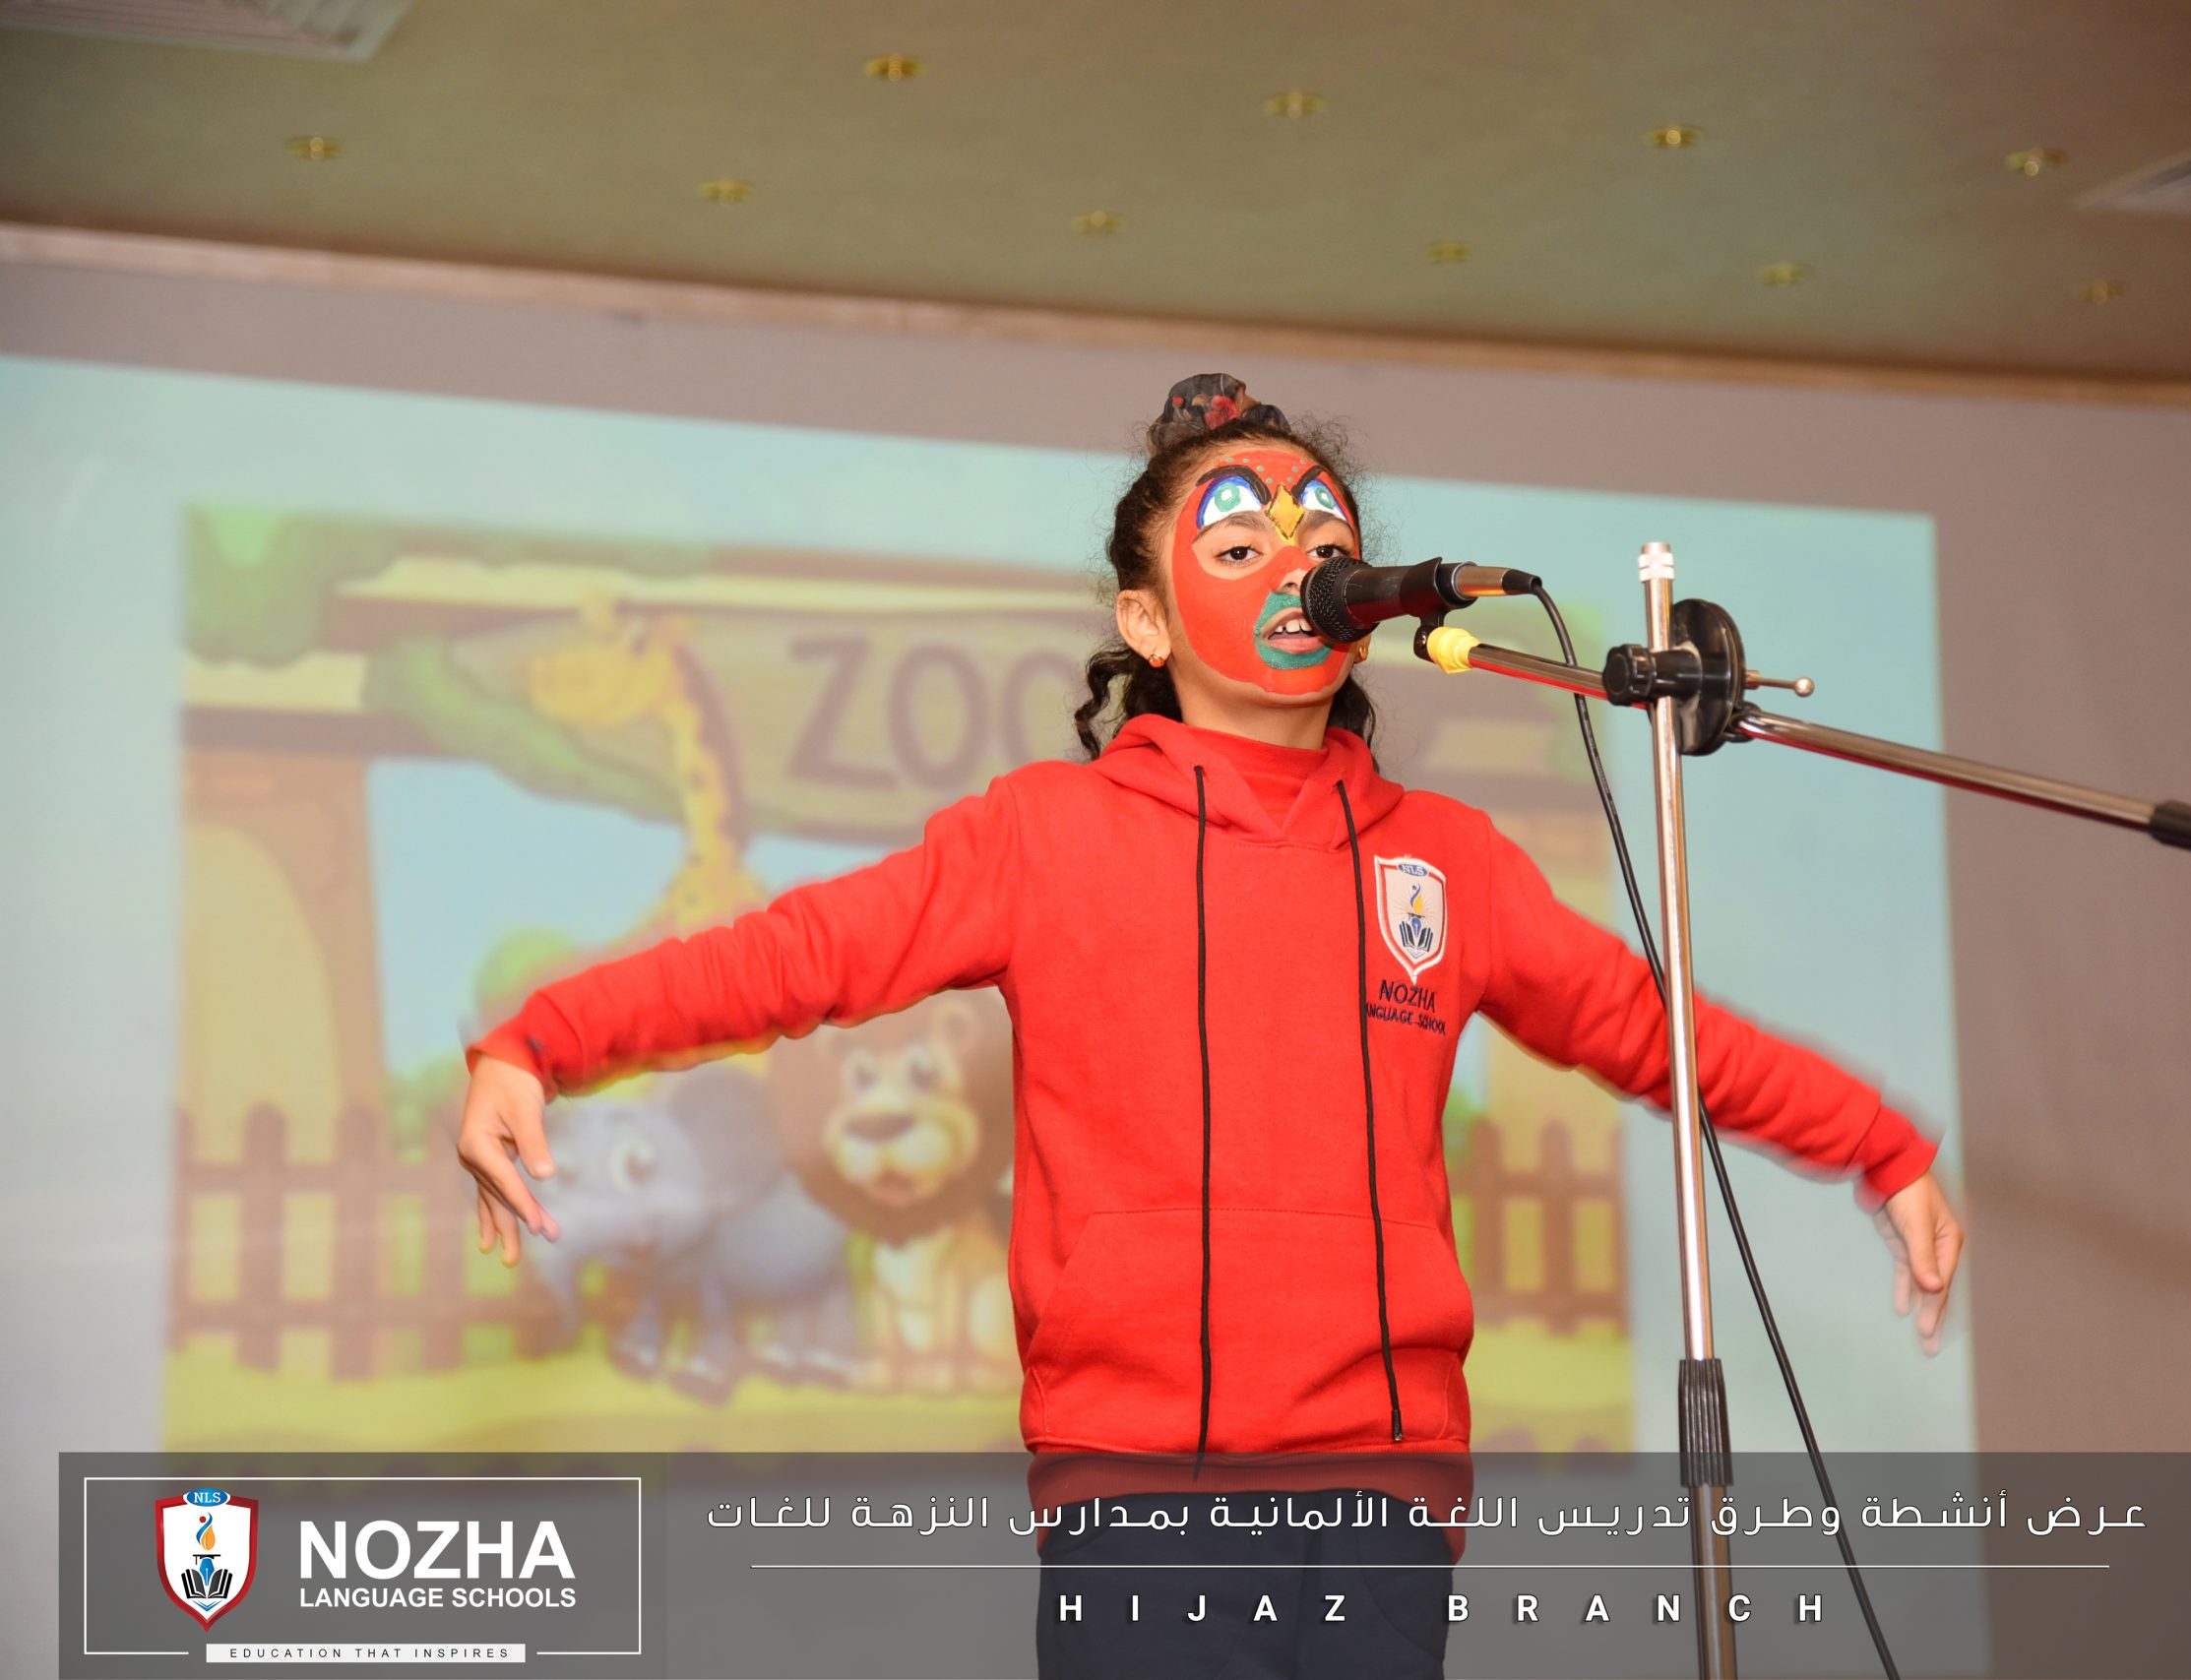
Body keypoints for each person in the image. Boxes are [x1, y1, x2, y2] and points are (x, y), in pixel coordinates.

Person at [456, 373, 1964, 1678]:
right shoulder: (1046, 837)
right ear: (1147, 618)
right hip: (1140, 1495)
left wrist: (1880, 1146)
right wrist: (539, 1040)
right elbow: (791, 959)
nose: (1297, 566)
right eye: (1239, 546)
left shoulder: (1445, 863)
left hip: (1384, 1495)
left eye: (1325, 546)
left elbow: (1648, 1026)